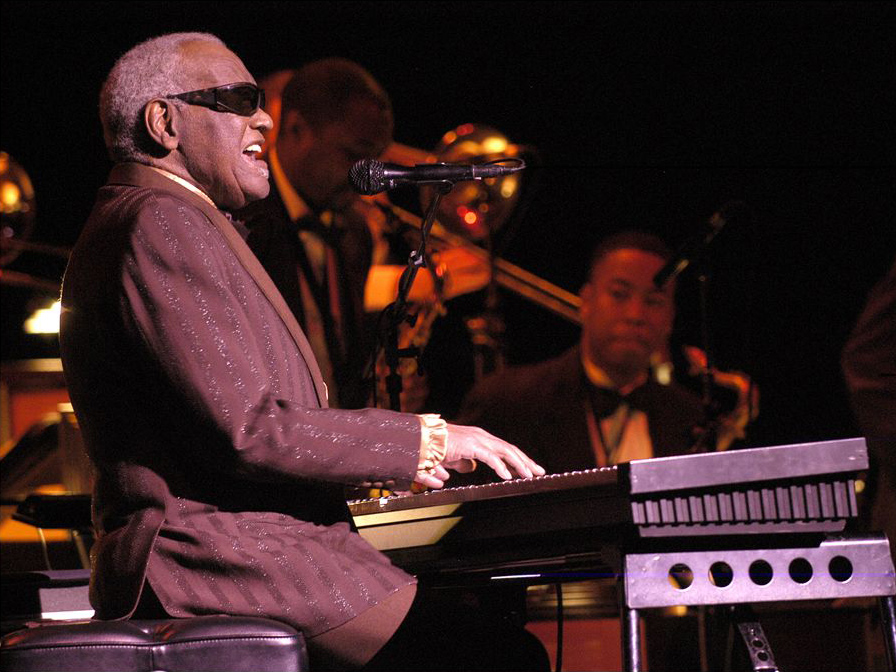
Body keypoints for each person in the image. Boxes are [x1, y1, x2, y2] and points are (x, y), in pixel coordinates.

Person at [58, 32, 545, 670]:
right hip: (214, 557)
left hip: (244, 551)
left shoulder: (164, 216)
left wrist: (376, 457)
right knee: (498, 655)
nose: (264, 116)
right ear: (163, 122)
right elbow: (248, 429)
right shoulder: (161, 219)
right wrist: (428, 441)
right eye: (237, 99)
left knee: (485, 633)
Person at [238, 59, 488, 411]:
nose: (371, 179)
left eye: (375, 159)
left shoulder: (356, 233)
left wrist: (380, 391)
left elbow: (344, 360)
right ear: (295, 130)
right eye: (353, 155)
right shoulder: (240, 222)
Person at [458, 230, 707, 473]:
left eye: (654, 301)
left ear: (671, 318)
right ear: (586, 301)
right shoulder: (505, 401)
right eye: (619, 294)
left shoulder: (692, 417)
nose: (635, 315)